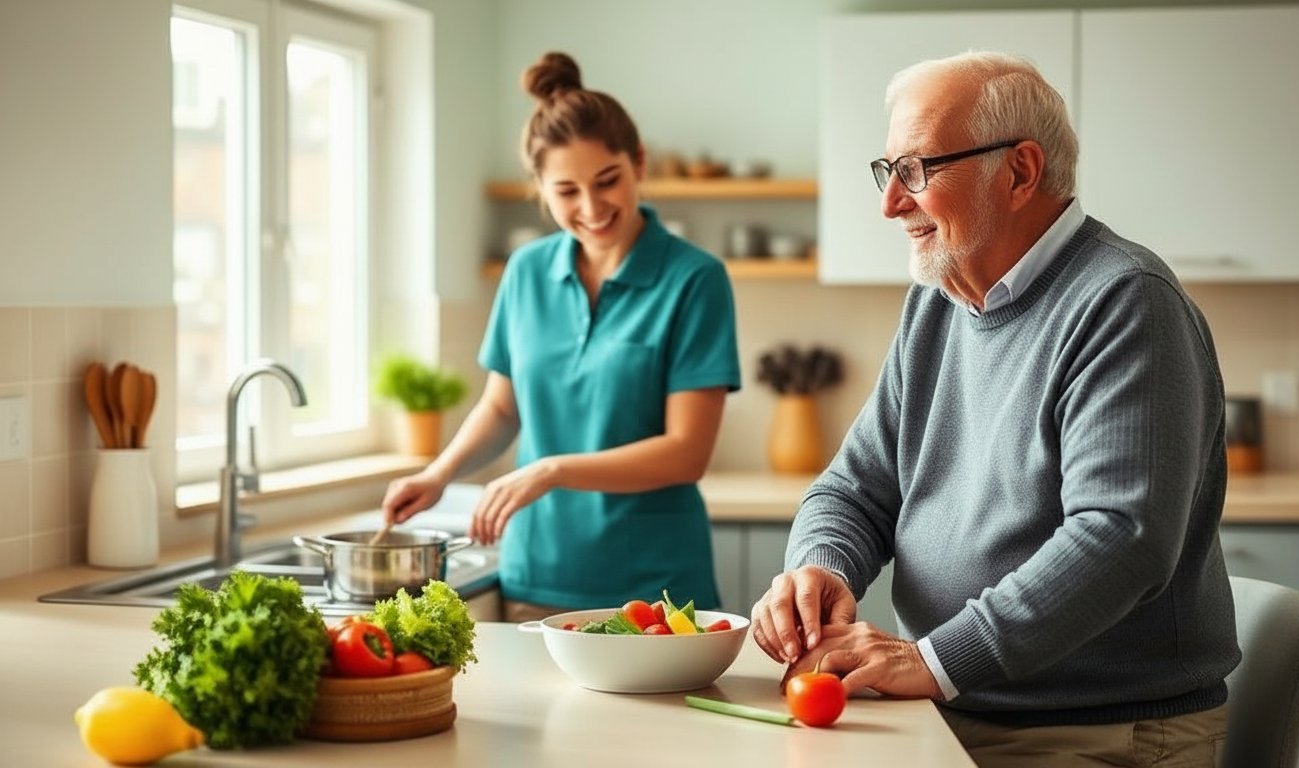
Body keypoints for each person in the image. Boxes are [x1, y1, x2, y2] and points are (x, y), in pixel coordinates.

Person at [751, 51, 1240, 767]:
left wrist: (938, 660)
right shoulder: (940, 300)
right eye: (889, 172)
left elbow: (1120, 538)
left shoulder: (1126, 300)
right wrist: (822, 568)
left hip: (1092, 729)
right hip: (954, 708)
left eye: (917, 170)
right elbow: (855, 488)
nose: (891, 203)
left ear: (1019, 171)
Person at [382, 51, 740, 622]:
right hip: (537, 573)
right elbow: (502, 407)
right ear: (541, 189)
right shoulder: (525, 272)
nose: (592, 208)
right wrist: (438, 474)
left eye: (607, 181)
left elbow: (685, 452)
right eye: (567, 191)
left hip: (657, 588)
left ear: (638, 163)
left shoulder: (694, 279)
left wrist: (551, 469)